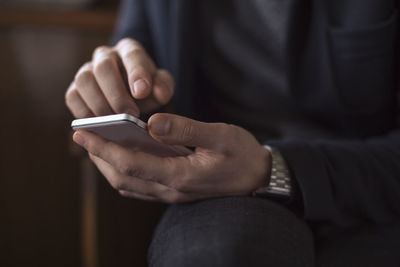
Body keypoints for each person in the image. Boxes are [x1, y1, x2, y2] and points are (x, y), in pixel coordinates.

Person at [65, 0, 400, 266]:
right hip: (217, 186)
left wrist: (273, 169)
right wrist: (118, 88)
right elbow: (137, 48)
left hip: (370, 183)